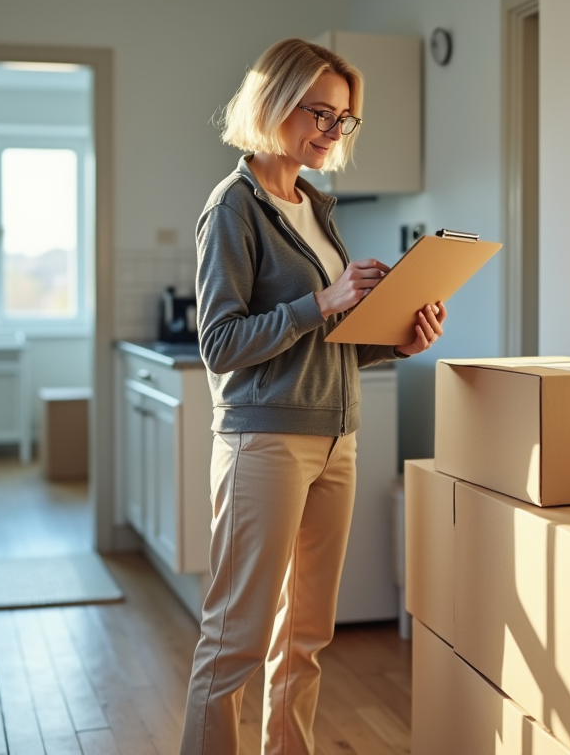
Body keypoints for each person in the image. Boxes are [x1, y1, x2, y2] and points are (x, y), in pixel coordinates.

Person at [180, 38, 447, 754]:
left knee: (304, 639)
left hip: (338, 439)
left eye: (345, 119)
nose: (333, 131)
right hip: (263, 442)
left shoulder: (314, 205)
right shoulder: (233, 208)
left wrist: (396, 341)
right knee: (236, 640)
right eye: (320, 113)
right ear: (274, 105)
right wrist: (324, 300)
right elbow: (221, 345)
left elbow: (328, 341)